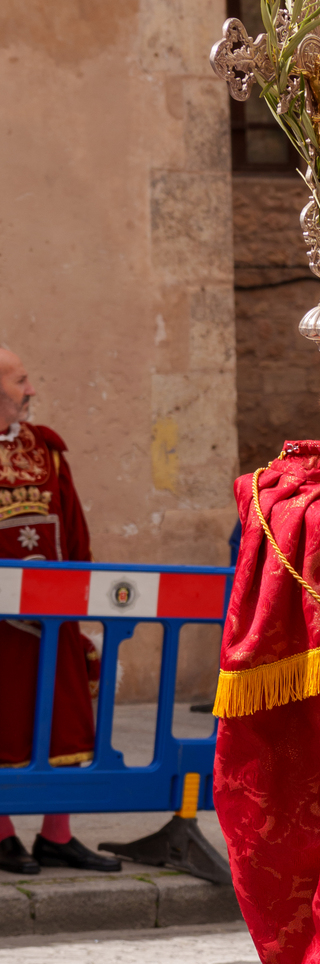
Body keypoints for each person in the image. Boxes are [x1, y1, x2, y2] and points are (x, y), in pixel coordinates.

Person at [0, 346, 120, 876]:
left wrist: (83, 596)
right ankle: (2, 834)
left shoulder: (43, 449)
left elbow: (71, 528)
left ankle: (57, 835)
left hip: (53, 613)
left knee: (65, 719)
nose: (31, 391)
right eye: (22, 380)